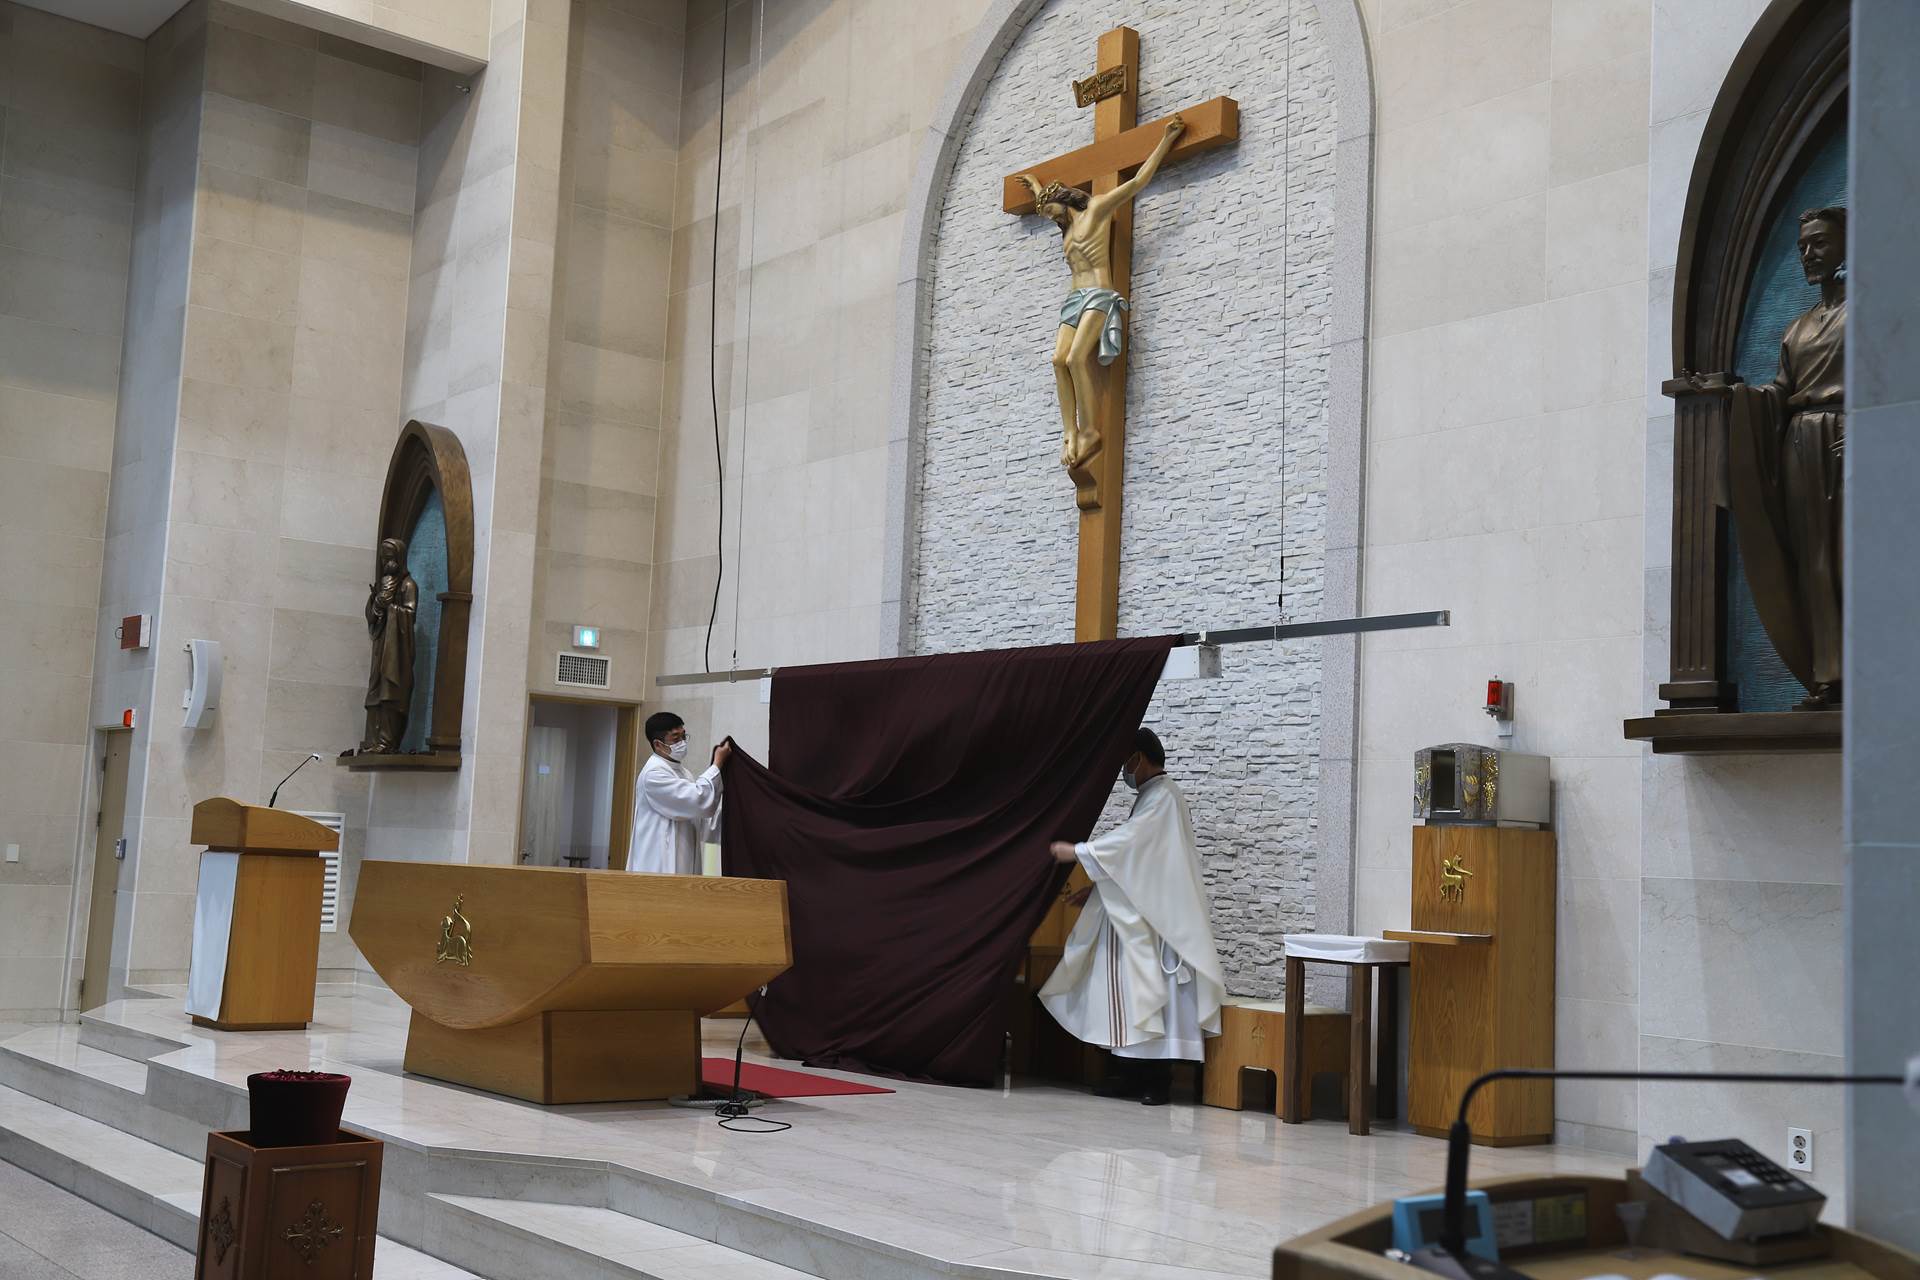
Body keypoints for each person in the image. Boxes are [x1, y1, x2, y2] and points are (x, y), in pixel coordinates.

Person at [1039, 727, 1225, 1105]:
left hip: (1159, 919)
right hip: (1144, 910)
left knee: (1154, 995)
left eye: (1127, 760)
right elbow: (1138, 859)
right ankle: (1129, 1075)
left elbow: (1132, 843)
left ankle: (1158, 1081)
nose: (1124, 769)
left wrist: (1079, 851)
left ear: (1140, 757)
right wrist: (1097, 889)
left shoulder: (1164, 796)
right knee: (1130, 995)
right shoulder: (1152, 796)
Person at [1016, 114, 1185, 475]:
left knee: (1077, 358)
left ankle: (1090, 431)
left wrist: (1166, 139)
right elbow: (1046, 200)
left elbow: (1138, 181)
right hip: (1073, 300)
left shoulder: (1097, 209)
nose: (1050, 218)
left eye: (1050, 211)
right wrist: (1034, 188)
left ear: (1062, 199)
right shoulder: (1065, 228)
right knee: (1058, 360)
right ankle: (1069, 432)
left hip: (1098, 295)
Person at [628, 712, 730, 875]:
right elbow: (699, 799)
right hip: (657, 865)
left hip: (684, 860)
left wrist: (733, 820)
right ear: (658, 744)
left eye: (683, 736)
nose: (682, 743)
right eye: (676, 738)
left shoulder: (683, 773)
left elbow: (697, 816)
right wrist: (717, 764)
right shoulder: (653, 774)